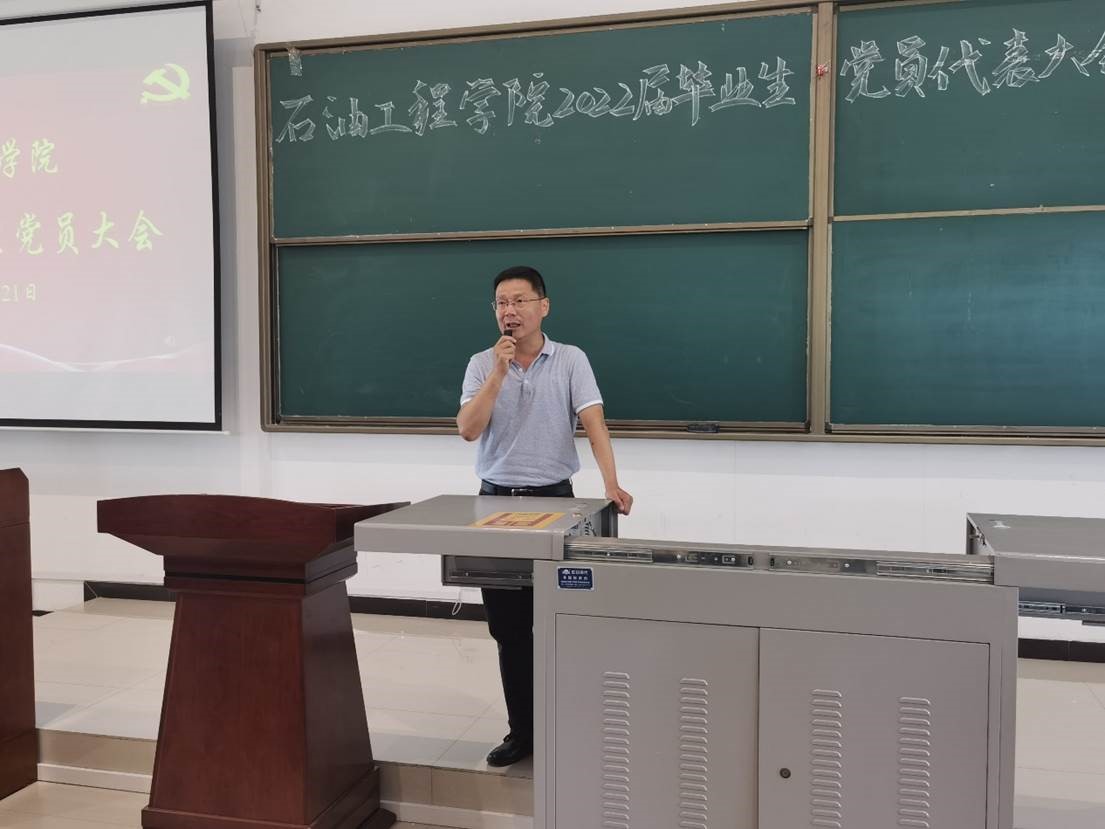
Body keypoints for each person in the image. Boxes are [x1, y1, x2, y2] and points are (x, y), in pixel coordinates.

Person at [457, 264, 632, 766]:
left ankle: (568, 727)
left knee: (560, 622)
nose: (509, 312)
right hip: (495, 506)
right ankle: (523, 733)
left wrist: (611, 483)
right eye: (501, 303)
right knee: (508, 629)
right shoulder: (481, 364)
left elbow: (594, 424)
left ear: (543, 306)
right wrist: (498, 373)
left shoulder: (571, 360)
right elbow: (468, 429)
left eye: (519, 301)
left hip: (555, 502)